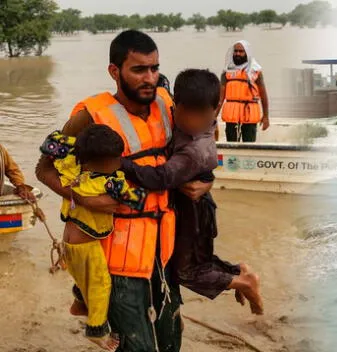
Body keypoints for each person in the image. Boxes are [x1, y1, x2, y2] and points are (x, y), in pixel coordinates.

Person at [35, 29, 212, 351]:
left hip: (164, 249)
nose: (150, 78)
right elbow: (43, 168)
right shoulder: (89, 116)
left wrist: (206, 182)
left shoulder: (167, 104)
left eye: (155, 68)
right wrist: (84, 198)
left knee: (171, 339)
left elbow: (195, 150)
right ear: (115, 71)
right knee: (137, 347)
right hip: (116, 257)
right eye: (139, 69)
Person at [120, 68, 264, 314]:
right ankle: (238, 272)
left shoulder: (194, 150)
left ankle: (242, 281)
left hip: (194, 209)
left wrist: (120, 163)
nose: (194, 123)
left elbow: (161, 177)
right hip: (189, 202)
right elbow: (161, 83)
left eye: (202, 117)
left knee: (185, 272)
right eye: (188, 115)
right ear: (175, 106)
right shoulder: (178, 112)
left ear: (214, 110)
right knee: (194, 260)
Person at [39, 126, 149, 351]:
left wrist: (74, 144)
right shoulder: (109, 182)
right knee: (101, 284)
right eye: (115, 161)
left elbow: (52, 141)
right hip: (85, 245)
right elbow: (137, 200)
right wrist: (138, 190)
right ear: (97, 164)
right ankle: (96, 330)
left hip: (70, 243)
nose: (119, 164)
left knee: (83, 276)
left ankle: (79, 304)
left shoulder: (72, 166)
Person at [215, 40, 270, 142]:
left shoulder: (255, 71)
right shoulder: (226, 72)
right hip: (232, 115)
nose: (237, 54)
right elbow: (220, 98)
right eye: (235, 51)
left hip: (249, 114)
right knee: (231, 145)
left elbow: (263, 95)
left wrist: (266, 116)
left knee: (249, 145)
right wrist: (213, 117)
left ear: (247, 53)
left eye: (241, 51)